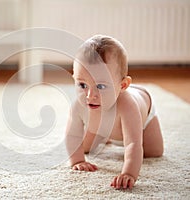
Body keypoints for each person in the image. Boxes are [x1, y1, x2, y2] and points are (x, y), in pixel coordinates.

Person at [65, 35, 164, 189]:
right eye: (82, 85)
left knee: (154, 151)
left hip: (143, 111)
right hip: (101, 118)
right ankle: (105, 134)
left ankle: (106, 134)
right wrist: (78, 161)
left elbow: (133, 143)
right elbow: (72, 135)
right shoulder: (79, 104)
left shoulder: (127, 106)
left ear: (123, 85)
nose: (90, 95)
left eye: (101, 86)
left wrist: (129, 173)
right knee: (84, 148)